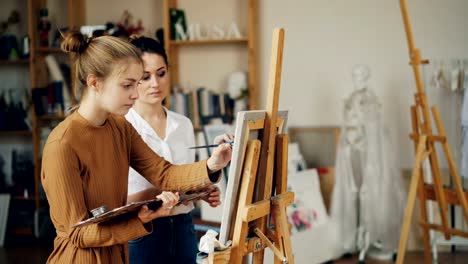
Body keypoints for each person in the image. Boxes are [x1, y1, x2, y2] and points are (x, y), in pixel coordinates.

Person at [40, 31, 232, 264]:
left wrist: (214, 163)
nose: (135, 93)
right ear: (94, 83)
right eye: (127, 85)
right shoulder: (62, 145)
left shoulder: (120, 127)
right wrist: (138, 221)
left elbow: (164, 173)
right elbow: (78, 233)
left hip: (118, 253)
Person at [125, 35, 233, 264]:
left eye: (161, 73)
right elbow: (118, 199)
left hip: (184, 228)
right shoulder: (123, 127)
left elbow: (184, 180)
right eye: (145, 77)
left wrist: (202, 192)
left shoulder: (182, 124)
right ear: (131, 78)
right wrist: (159, 194)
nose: (155, 83)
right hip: (144, 232)